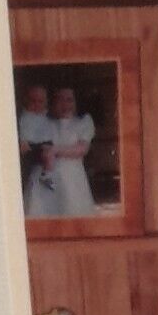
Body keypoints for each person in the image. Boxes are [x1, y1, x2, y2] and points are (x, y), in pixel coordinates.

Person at [48, 84, 97, 216]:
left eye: (69, 100)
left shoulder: (83, 122)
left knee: (72, 209)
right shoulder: (48, 123)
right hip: (50, 175)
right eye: (60, 99)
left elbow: (82, 149)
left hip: (72, 176)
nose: (65, 104)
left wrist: (55, 150)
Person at [18, 81, 58, 218]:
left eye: (40, 101)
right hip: (34, 164)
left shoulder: (49, 120)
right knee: (36, 201)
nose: (36, 105)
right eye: (32, 101)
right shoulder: (24, 119)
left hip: (50, 163)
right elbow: (24, 145)